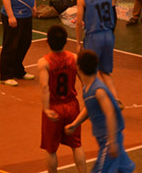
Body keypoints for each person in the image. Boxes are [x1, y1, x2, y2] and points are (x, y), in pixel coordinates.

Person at [64, 50, 135, 173]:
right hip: (109, 137)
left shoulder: (98, 91)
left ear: (78, 68)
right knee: (125, 170)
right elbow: (89, 107)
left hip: (108, 138)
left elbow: (110, 113)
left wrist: (112, 141)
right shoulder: (88, 88)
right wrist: (75, 124)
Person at [38, 25, 86, 173]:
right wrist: (86, 102)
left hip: (54, 108)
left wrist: (47, 109)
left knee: (51, 149)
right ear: (66, 41)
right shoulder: (74, 58)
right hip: (72, 106)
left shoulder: (44, 62)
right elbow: (85, 82)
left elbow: (44, 87)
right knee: (77, 145)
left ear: (47, 41)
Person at [76, 0, 119, 101]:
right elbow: (114, 15)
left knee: (86, 73)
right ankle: (115, 99)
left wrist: (78, 42)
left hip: (94, 37)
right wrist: (110, 33)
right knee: (105, 72)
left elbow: (78, 23)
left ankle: (88, 103)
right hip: (108, 35)